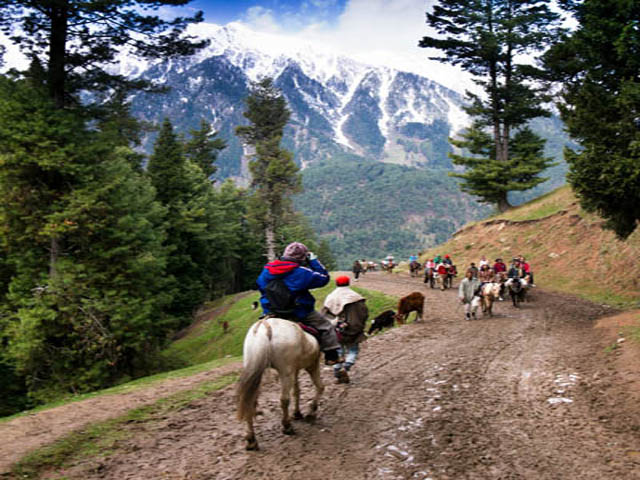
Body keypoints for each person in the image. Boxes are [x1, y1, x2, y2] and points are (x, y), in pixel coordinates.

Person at [256, 242, 343, 365]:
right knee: (326, 327)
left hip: (272, 311)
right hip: (299, 311)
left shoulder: (267, 269)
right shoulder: (301, 272)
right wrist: (314, 261)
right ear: (303, 257)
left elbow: (260, 285)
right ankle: (332, 356)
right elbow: (324, 278)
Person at [321, 275, 368, 384]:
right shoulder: (356, 297)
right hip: (354, 329)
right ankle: (346, 366)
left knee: (338, 351)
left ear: (336, 283)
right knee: (353, 350)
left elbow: (324, 314)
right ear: (348, 283)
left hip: (336, 329)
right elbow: (363, 313)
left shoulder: (331, 297)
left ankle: (337, 370)